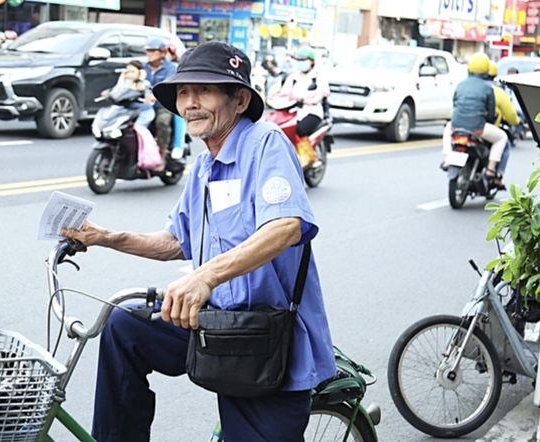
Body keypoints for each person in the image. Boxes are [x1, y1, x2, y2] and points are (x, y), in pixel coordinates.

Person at [61, 41, 336, 442]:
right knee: (125, 326)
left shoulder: (265, 143)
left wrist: (204, 276)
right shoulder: (205, 164)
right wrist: (106, 237)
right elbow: (177, 240)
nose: (190, 103)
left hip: (265, 336)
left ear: (240, 99)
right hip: (214, 325)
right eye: (183, 93)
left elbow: (286, 226)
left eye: (204, 91)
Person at [441, 53, 507, 187]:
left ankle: (447, 158)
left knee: (447, 129)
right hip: (477, 128)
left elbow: (455, 104)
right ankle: (491, 169)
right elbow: (490, 113)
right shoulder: (488, 88)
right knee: (502, 137)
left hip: (456, 125)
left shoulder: (461, 85)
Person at [278, 47, 329, 138]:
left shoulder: (318, 77)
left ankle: (305, 152)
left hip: (312, 112)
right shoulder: (293, 77)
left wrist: (309, 101)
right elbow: (283, 94)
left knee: (301, 129)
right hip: (292, 110)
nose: (301, 62)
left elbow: (320, 95)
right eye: (299, 60)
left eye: (304, 60)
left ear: (312, 61)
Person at [144, 38, 177, 166]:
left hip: (162, 106)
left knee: (162, 122)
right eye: (148, 51)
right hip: (144, 106)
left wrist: (155, 94)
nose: (149, 54)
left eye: (153, 51)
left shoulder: (170, 68)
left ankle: (162, 154)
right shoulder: (143, 67)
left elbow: (168, 85)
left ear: (163, 53)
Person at [487, 61, 519, 180]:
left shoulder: (464, 85)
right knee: (503, 140)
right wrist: (515, 122)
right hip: (482, 127)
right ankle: (495, 173)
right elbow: (511, 115)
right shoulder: (496, 91)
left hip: (459, 126)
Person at [163, 42, 187, 160]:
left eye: (166, 53)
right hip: (149, 102)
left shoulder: (174, 68)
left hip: (170, 102)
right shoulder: (146, 66)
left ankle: (178, 146)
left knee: (178, 115)